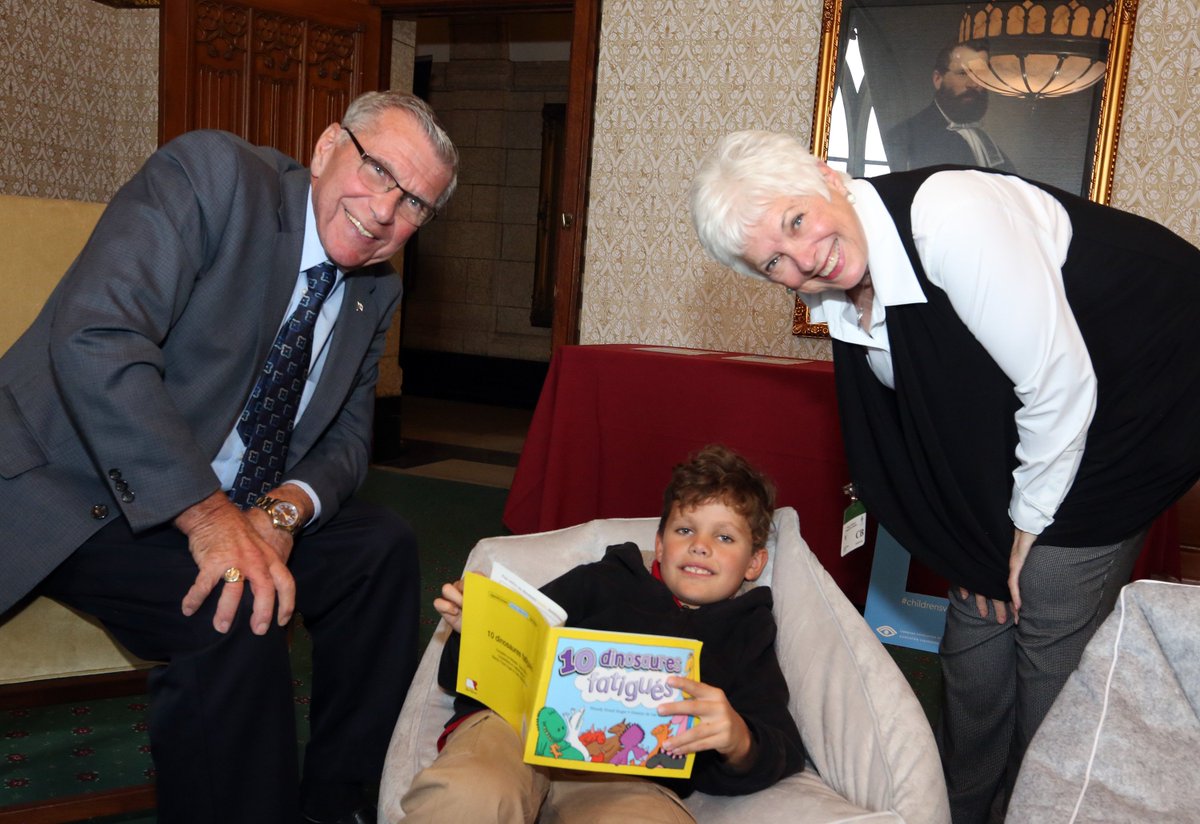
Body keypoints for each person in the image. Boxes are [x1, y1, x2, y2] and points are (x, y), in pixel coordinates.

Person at [688, 130, 1200, 824]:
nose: (804, 258)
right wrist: (973, 542)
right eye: (775, 259)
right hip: (1039, 420)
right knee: (978, 624)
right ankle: (957, 807)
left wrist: (1021, 530)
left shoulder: (950, 218)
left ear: (826, 176)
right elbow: (947, 420)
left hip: (1149, 380)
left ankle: (1049, 802)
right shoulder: (844, 299)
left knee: (1044, 598)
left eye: (796, 221)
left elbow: (1058, 386)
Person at [0, 90, 458, 824]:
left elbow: (346, 439)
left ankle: (341, 806)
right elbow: (97, 338)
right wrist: (210, 516)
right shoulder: (212, 177)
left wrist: (281, 512)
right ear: (325, 147)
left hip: (237, 500)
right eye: (376, 171)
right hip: (79, 479)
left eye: (414, 206)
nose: (383, 210)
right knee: (232, 609)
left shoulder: (377, 290)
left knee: (383, 547)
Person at [400, 444, 807, 823]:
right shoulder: (602, 581)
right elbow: (484, 670)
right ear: (660, 546)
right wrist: (476, 633)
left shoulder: (747, 631)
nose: (700, 546)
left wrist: (738, 740)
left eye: (724, 536)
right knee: (471, 795)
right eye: (685, 530)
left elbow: (780, 744)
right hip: (516, 732)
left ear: (754, 563)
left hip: (629, 772)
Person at [884, 39, 1015, 173]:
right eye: (963, 73)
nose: (974, 83)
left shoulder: (986, 141)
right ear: (938, 79)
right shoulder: (903, 136)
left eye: (980, 74)